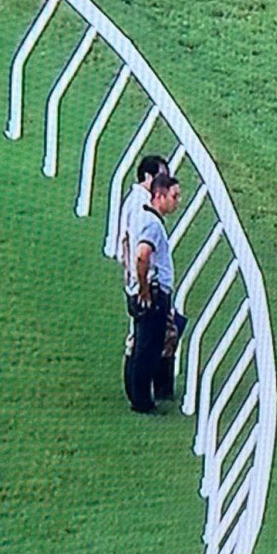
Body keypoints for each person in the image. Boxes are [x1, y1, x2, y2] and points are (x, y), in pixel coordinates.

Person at [126, 173, 181, 414]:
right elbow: (142, 255)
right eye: (174, 196)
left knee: (141, 346)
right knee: (147, 350)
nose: (177, 202)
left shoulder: (143, 216)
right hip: (153, 295)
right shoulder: (152, 224)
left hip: (145, 290)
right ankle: (141, 402)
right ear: (159, 195)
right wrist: (146, 290)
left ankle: (139, 395)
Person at [117, 154, 168, 402]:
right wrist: (142, 286)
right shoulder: (141, 205)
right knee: (143, 343)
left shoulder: (135, 201)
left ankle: (152, 391)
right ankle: (142, 398)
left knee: (145, 339)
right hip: (144, 283)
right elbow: (139, 251)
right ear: (148, 177)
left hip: (136, 280)